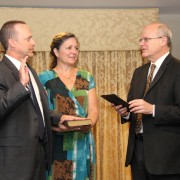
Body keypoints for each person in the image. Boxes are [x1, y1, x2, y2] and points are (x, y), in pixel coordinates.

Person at [113, 22, 180, 180]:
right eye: (140, 40)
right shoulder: (139, 72)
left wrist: (153, 109)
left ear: (163, 41)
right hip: (137, 152)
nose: (141, 44)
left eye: (146, 39)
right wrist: (126, 113)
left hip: (167, 158)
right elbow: (133, 107)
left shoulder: (177, 69)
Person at [38, 32, 99, 179]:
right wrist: (57, 127)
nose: (74, 52)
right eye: (69, 48)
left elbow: (93, 109)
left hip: (83, 140)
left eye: (76, 48)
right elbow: (43, 113)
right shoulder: (45, 78)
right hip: (58, 141)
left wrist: (88, 124)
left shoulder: (86, 77)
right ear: (56, 52)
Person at [0, 20, 53, 180]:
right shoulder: (1, 71)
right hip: (14, 162)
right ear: (12, 42)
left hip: (38, 156)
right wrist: (21, 85)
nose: (34, 42)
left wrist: (61, 118)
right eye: (28, 39)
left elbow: (36, 111)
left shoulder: (31, 70)